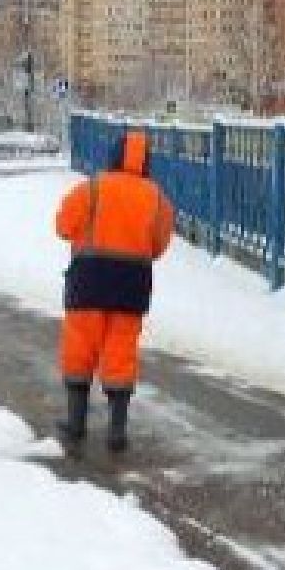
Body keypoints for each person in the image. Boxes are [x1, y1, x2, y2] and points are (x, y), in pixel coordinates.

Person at [54, 129, 174, 460]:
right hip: (131, 285)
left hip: (88, 281)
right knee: (120, 351)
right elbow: (159, 245)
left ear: (112, 155)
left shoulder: (90, 188)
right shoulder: (157, 198)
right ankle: (117, 430)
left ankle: (75, 422)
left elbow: (63, 226)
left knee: (80, 346)